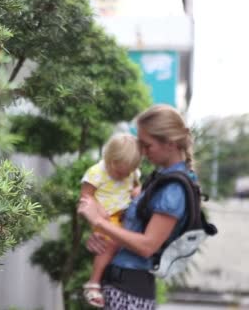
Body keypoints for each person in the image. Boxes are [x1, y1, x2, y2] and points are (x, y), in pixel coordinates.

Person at [78, 104, 195, 310]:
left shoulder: (173, 188)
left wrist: (99, 222)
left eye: (147, 145)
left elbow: (147, 246)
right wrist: (102, 236)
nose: (142, 152)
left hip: (130, 294)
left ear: (170, 143)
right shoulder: (158, 178)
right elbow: (130, 230)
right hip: (119, 287)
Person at [81, 133, 142, 308]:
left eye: (129, 172)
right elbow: (85, 196)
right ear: (110, 160)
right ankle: (93, 283)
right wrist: (98, 210)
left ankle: (109, 282)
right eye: (120, 172)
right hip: (106, 216)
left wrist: (137, 191)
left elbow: (137, 186)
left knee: (125, 246)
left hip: (126, 214)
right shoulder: (96, 173)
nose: (125, 175)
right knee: (111, 245)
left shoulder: (131, 172)